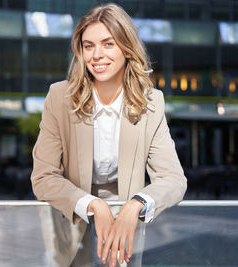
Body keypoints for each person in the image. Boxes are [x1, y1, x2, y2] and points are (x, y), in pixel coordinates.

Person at [31, 3, 187, 267]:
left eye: (108, 44)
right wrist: (94, 205)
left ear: (127, 48)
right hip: (70, 213)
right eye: (88, 45)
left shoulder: (151, 102)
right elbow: (43, 177)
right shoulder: (59, 97)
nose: (96, 55)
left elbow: (173, 179)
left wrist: (136, 204)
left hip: (125, 215)